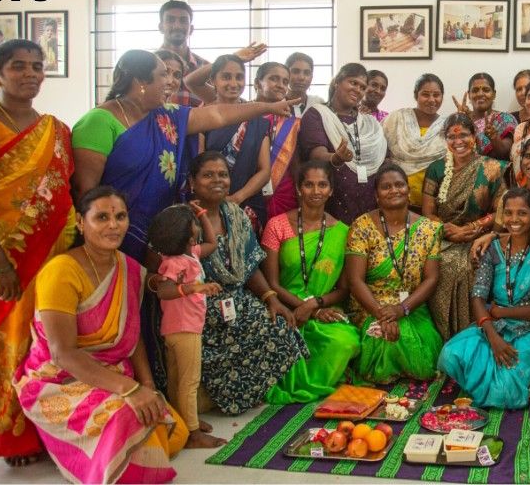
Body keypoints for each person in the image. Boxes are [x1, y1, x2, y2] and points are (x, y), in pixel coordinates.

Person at [70, 49, 296, 392]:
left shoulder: (168, 116)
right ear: (139, 82)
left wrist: (265, 107)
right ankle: (119, 385)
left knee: (162, 311)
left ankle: (158, 385)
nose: (172, 83)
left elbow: (219, 113)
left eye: (173, 76)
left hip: (164, 232)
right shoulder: (99, 122)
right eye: (164, 76)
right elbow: (88, 194)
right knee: (122, 309)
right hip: (117, 235)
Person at [14, 187, 188, 484]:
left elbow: (132, 337)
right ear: (81, 223)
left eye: (120, 217)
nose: (113, 225)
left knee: (175, 431)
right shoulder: (61, 271)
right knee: (128, 418)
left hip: (110, 373)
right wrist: (129, 391)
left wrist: (147, 385)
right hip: (58, 379)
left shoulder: (129, 268)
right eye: (102, 217)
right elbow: (62, 353)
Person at [0, 39, 76, 465]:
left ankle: (50, 425)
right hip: (2, 251)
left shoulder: (56, 128)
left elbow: (66, 193)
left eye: (37, 66)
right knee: (6, 341)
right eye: (18, 66)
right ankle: (10, 434)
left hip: (53, 252)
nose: (30, 73)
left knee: (47, 337)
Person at [154, 151, 306, 415]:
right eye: (208, 175)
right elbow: (159, 268)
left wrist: (271, 297)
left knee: (280, 327)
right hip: (195, 306)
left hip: (236, 299)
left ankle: (240, 392)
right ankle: (211, 396)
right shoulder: (177, 218)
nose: (217, 180)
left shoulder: (236, 215)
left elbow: (249, 265)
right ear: (192, 181)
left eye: (223, 175)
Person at [438, 188, 530, 409]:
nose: (514, 219)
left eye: (522, 213)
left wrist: (504, 312)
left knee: (505, 392)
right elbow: (477, 295)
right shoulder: (493, 248)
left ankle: (488, 384)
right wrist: (492, 335)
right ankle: (486, 377)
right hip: (494, 324)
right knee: (450, 355)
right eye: (508, 213)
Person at [261, 161, 360, 403]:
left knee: (347, 341)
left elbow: (344, 289)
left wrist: (316, 305)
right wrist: (305, 309)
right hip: (284, 308)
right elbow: (272, 282)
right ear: (298, 189)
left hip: (323, 307)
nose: (316, 191)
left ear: (331, 190)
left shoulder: (343, 231)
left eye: (322, 185)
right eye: (309, 185)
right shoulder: (277, 225)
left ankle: (320, 378)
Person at [345, 163, 444, 383]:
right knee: (381, 341)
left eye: (400, 185)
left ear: (409, 191)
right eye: (386, 187)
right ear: (377, 196)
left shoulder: (429, 228)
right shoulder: (362, 226)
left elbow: (432, 278)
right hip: (370, 305)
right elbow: (354, 280)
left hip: (410, 305)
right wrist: (381, 313)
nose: (394, 190)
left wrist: (402, 309)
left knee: (421, 350)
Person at [146, 203, 227, 449]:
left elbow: (212, 244)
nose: (197, 226)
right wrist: (194, 288)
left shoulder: (190, 255)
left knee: (176, 378)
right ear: (186, 232)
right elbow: (164, 291)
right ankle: (191, 432)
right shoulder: (175, 262)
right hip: (184, 329)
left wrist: (202, 215)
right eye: (193, 222)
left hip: (180, 328)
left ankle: (181, 420)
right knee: (189, 382)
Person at [422, 113, 507, 337]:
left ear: (475, 136)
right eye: (451, 136)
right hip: (443, 236)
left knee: (472, 265)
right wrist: (447, 230)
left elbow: (501, 211)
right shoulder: (436, 169)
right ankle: (442, 335)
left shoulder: (491, 168)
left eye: (464, 135)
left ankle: (471, 335)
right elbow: (428, 212)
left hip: (481, 237)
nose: (458, 141)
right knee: (441, 264)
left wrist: (468, 230)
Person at [188, 52, 274, 227]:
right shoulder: (204, 117)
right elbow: (198, 165)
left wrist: (236, 198)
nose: (234, 84)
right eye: (226, 77)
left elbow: (264, 171)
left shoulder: (258, 120)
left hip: (247, 206)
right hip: (209, 204)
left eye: (239, 77)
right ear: (213, 80)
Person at [299, 63, 388, 224]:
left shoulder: (368, 122)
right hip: (332, 202)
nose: (358, 90)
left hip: (369, 202)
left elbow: (382, 157)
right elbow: (315, 153)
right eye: (353, 83)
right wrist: (335, 157)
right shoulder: (317, 114)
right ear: (337, 82)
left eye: (362, 87)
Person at [382, 73, 448, 208]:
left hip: (434, 202)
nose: (431, 100)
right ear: (415, 95)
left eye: (436, 95)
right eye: (425, 94)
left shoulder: (447, 126)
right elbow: (379, 151)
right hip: (396, 197)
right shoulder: (397, 119)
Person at [263, 61, 304, 220]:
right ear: (257, 83)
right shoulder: (245, 114)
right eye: (274, 79)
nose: (280, 85)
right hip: (248, 188)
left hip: (284, 192)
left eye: (285, 82)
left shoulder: (293, 123)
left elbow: (296, 164)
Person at [156, 0, 209, 109]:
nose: (177, 26)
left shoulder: (206, 68)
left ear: (191, 29)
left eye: (183, 21)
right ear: (161, 27)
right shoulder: (146, 66)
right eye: (170, 20)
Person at [452, 72, 515, 160]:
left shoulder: (505, 119)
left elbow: (506, 153)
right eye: (475, 90)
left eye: (486, 90)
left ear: (494, 94)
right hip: (464, 171)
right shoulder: (459, 120)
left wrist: (494, 137)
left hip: (495, 172)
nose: (480, 94)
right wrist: (461, 121)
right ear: (469, 95)